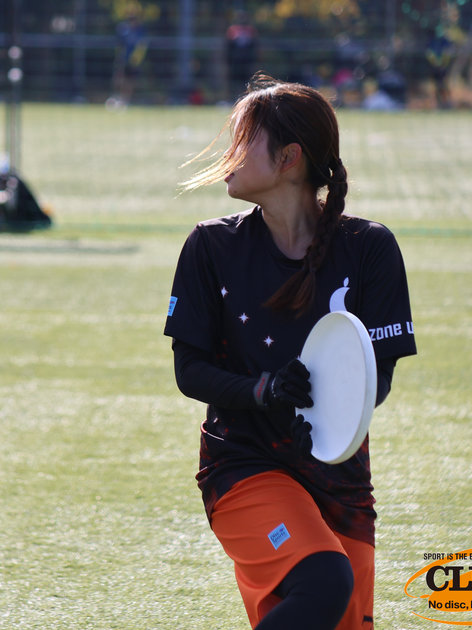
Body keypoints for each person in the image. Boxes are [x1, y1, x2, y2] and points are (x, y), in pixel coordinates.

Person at [164, 75, 416, 629]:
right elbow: (190, 371)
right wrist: (266, 390)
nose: (225, 153)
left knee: (335, 608)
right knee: (325, 580)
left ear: (288, 158)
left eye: (242, 139)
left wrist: (326, 421)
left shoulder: (370, 248)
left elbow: (379, 376)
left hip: (341, 478)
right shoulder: (211, 245)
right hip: (243, 466)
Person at [108, 9, 148, 108]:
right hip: (122, 59)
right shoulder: (123, 29)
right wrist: (119, 57)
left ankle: (125, 100)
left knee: (130, 81)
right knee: (118, 79)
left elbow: (142, 46)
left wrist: (136, 58)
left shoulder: (140, 31)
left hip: (134, 61)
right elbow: (119, 45)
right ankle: (116, 98)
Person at [225, 10, 258, 102]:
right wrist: (229, 60)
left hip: (247, 61)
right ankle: (232, 98)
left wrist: (253, 60)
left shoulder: (250, 30)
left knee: (246, 81)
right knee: (233, 81)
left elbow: (254, 46)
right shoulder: (232, 30)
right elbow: (229, 46)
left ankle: (246, 99)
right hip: (235, 61)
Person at [425, 27, 453, 109]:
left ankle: (447, 103)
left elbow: (447, 53)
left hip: (443, 67)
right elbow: (429, 54)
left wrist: (443, 65)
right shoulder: (432, 41)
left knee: (444, 85)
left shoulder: (444, 41)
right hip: (435, 68)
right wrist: (436, 64)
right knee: (437, 86)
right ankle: (438, 104)